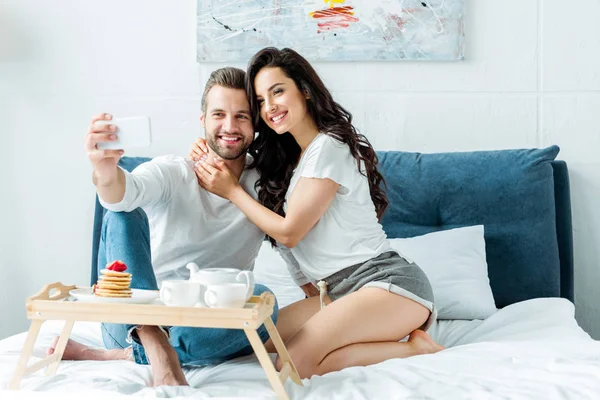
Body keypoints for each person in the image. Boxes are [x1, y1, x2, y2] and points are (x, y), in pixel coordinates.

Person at [192, 47, 444, 379]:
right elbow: (286, 240)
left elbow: (289, 231)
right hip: (336, 291)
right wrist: (204, 150)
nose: (270, 107)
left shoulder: (330, 146)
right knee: (256, 335)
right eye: (261, 101)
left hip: (387, 283)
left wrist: (232, 192)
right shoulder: (294, 161)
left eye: (278, 91)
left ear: (305, 90)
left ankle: (414, 348)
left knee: (290, 362)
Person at [47, 67, 281, 387]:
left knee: (264, 300)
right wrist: (105, 171)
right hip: (132, 318)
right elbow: (123, 195)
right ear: (202, 120)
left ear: (255, 122)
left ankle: (120, 355)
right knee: (120, 212)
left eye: (242, 116)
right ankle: (153, 340)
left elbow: (291, 236)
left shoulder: (264, 186)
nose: (229, 126)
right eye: (218, 114)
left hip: (206, 321)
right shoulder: (174, 171)